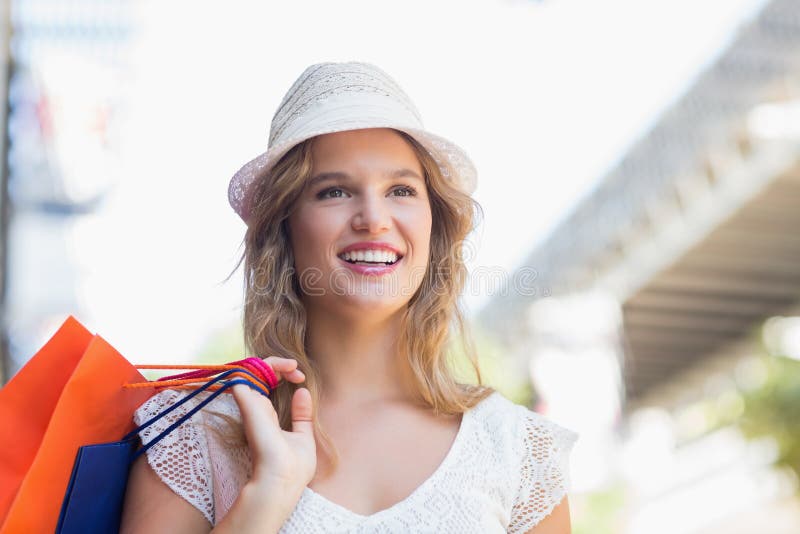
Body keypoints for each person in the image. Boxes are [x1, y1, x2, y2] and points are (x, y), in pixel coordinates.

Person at [120, 62, 578, 533]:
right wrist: (266, 497)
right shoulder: (191, 436)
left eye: (401, 189)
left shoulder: (520, 451)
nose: (374, 218)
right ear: (284, 229)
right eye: (334, 191)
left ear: (433, 226)